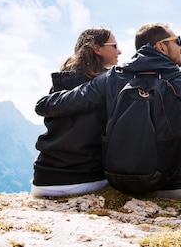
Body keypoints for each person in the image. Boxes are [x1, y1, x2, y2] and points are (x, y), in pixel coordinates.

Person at [35, 23, 181, 200]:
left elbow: (65, 102)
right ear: (161, 46)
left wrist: (45, 102)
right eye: (177, 41)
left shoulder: (112, 78)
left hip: (127, 183)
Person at [31, 27, 122, 198]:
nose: (119, 51)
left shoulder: (60, 83)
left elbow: (41, 106)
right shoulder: (107, 86)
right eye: (115, 45)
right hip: (85, 180)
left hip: (43, 181)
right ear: (97, 48)